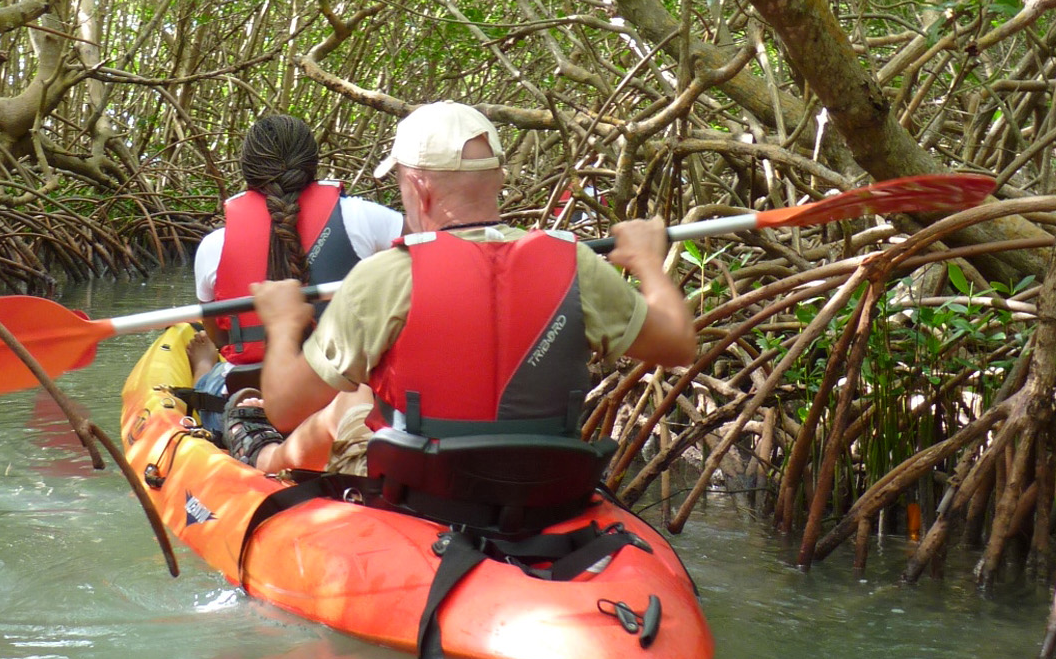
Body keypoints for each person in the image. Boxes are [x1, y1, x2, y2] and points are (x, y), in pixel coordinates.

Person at [246, 100, 696, 479]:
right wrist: (648, 264)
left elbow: (284, 408)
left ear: (418, 189)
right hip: (541, 486)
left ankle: (268, 462)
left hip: (422, 489)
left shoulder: (384, 278)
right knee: (357, 394)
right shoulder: (576, 264)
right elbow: (678, 345)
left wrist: (284, 324)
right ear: (499, 177)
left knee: (354, 397)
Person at [191, 112, 400, 440]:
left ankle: (201, 368)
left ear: (248, 170)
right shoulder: (369, 220)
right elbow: (422, 273)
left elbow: (221, 339)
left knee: (210, 371)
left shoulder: (212, 247)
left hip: (246, 395)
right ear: (310, 163)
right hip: (341, 392)